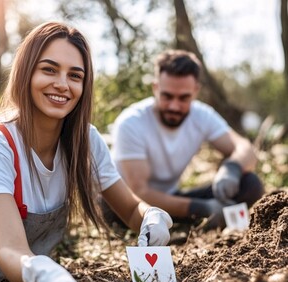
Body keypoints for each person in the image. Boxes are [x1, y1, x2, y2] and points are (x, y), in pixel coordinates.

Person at [0, 22, 173, 282]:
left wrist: (151, 216)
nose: (62, 84)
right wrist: (41, 274)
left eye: (75, 75)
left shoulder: (85, 141)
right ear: (25, 72)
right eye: (49, 69)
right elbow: (10, 249)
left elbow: (130, 209)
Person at [106, 49, 264, 229]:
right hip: (127, 205)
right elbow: (140, 192)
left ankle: (194, 222)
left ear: (196, 91)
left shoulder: (202, 115)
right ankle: (196, 220)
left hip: (172, 197)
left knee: (250, 184)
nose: (174, 106)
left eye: (183, 98)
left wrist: (231, 169)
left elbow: (245, 148)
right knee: (127, 214)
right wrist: (202, 207)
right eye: (167, 96)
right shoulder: (131, 123)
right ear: (155, 87)